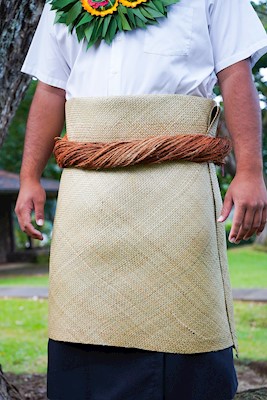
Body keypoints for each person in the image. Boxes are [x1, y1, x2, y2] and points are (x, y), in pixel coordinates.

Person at [15, 0, 267, 399]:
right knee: (80, 327)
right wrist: (30, 177)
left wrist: (250, 170)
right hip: (87, 197)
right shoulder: (59, 3)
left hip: (178, 191)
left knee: (188, 324)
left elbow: (236, 73)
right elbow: (49, 88)